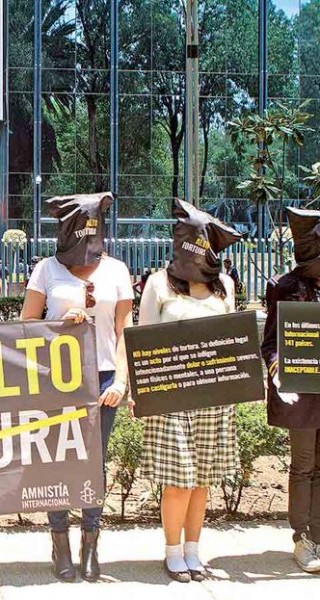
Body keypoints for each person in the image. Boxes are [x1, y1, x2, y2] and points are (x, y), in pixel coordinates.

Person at [20, 192, 133, 582]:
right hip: (58, 378)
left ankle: (90, 543)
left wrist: (122, 380)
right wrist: (59, 326)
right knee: (58, 458)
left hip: (103, 377)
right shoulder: (46, 269)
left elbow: (124, 330)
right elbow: (25, 326)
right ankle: (60, 544)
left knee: (94, 461)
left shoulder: (116, 270)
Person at [137, 199, 242, 583]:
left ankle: (194, 550)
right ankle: (172, 552)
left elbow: (232, 339)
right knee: (178, 480)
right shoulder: (158, 284)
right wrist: (141, 393)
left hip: (213, 397)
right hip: (171, 396)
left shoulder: (224, 285)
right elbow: (143, 340)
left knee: (201, 481)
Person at [261, 207, 320, 573]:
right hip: (302, 392)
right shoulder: (285, 287)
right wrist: (278, 369)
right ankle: (302, 538)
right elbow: (269, 344)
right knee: (303, 466)